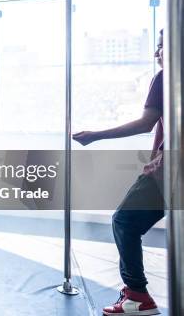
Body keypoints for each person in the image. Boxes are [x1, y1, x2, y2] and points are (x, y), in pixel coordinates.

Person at [73, 30, 164, 316]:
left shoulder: (164, 78)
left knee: (125, 220)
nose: (156, 53)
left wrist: (95, 135)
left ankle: (137, 296)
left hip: (168, 170)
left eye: (161, 46)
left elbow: (146, 123)